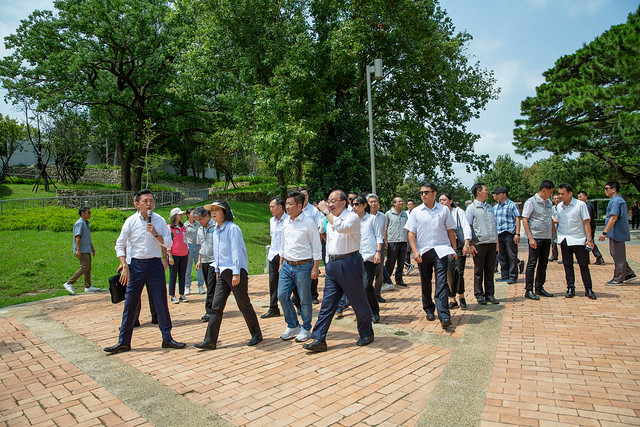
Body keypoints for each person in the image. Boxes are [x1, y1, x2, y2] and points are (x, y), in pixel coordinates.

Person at [105, 189, 186, 353]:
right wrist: (125, 265)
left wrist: (156, 234)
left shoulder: (160, 221)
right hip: (135, 266)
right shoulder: (130, 221)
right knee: (130, 303)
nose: (149, 204)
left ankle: (167, 338)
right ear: (137, 204)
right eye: (145, 201)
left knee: (161, 302)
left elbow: (169, 243)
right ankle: (124, 341)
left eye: (151, 201)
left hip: (155, 265)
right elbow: (120, 245)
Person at [303, 190, 374, 352]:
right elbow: (325, 234)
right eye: (328, 201)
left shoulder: (352, 217)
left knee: (358, 301)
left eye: (334, 201)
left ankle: (366, 332)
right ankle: (319, 338)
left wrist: (326, 212)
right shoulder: (329, 219)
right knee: (327, 304)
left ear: (344, 203)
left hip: (350, 262)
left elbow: (341, 227)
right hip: (333, 264)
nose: (330, 204)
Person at [195, 200, 262, 350]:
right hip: (222, 272)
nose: (213, 212)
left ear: (225, 212)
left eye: (217, 210)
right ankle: (210, 340)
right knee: (216, 306)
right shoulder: (216, 230)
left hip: (235, 271)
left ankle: (256, 334)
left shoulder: (233, 229)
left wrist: (236, 274)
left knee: (243, 304)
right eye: (211, 210)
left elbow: (236, 252)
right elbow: (218, 253)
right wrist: (217, 271)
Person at [406, 183, 457, 329]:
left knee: (441, 282)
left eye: (426, 192)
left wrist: (454, 249)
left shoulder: (444, 210)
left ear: (434, 193)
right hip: (423, 251)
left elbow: (450, 230)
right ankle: (428, 308)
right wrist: (415, 251)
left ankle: (444, 314)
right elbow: (411, 233)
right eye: (421, 192)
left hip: (441, 250)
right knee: (426, 282)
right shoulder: (416, 212)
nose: (423, 195)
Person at [277, 191, 322, 342]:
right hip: (286, 265)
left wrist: (315, 268)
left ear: (299, 206)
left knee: (304, 299)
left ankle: (306, 327)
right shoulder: (285, 222)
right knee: (282, 295)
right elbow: (283, 244)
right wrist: (281, 263)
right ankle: (292, 325)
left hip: (303, 266)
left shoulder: (308, 223)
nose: (287, 207)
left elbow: (316, 247)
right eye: (286, 203)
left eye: (290, 204)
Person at [555, 183, 597, 300]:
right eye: (559, 193)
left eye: (563, 194)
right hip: (564, 239)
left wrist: (589, 239)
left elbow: (586, 222)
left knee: (583, 265)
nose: (560, 196)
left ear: (570, 193)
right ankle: (570, 288)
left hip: (578, 239)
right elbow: (558, 220)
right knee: (567, 265)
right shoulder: (559, 206)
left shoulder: (580, 205)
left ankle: (588, 288)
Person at [521, 180, 556, 300]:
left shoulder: (548, 202)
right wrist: (530, 237)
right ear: (544, 190)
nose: (551, 194)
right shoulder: (531, 202)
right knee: (532, 263)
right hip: (535, 237)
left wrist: (554, 235)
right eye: (550, 192)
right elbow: (525, 219)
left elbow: (549, 219)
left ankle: (539, 287)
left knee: (543, 263)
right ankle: (528, 289)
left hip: (546, 237)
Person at [466, 183, 500, 305]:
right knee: (479, 271)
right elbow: (468, 226)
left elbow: (494, 225)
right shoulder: (471, 208)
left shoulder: (490, 207)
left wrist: (496, 243)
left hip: (491, 242)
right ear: (478, 192)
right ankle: (479, 294)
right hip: (479, 244)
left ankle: (490, 294)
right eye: (486, 190)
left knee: (490, 270)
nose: (488, 192)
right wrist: (470, 244)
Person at [599, 182, 637, 285]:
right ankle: (628, 273)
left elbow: (613, 218)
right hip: (616, 233)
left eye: (607, 188)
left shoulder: (616, 201)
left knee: (618, 255)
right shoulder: (616, 200)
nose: (605, 190)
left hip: (617, 233)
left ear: (614, 189)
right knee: (615, 254)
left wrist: (604, 232)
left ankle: (618, 278)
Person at [352, 194, 382, 323]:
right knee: (357, 287)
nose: (354, 207)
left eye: (357, 204)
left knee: (366, 285)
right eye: (352, 204)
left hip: (369, 256)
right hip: (354, 257)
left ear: (365, 205)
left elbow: (379, 237)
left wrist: (378, 252)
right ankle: (363, 312)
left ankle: (374, 311)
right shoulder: (351, 220)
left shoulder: (372, 219)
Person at [438, 193, 471, 310]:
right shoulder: (439, 213)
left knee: (459, 272)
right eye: (440, 200)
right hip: (445, 247)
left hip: (458, 246)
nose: (442, 202)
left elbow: (466, 227)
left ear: (450, 201)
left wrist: (467, 244)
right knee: (448, 274)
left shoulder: (458, 212)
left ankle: (461, 296)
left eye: (444, 200)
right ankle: (452, 298)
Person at [63, 206, 100, 294]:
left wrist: (92, 247)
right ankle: (69, 283)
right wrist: (78, 250)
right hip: (82, 250)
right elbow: (77, 237)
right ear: (82, 213)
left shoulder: (86, 223)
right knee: (84, 267)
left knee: (88, 267)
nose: (90, 214)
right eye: (88, 212)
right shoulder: (79, 223)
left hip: (87, 249)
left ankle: (88, 286)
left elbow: (87, 237)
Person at [262, 196, 287, 319]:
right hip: (273, 255)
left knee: (290, 282)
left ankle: (298, 305)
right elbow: (273, 237)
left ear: (280, 207)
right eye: (270, 207)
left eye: (273, 206)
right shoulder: (272, 221)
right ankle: (273, 308)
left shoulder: (288, 220)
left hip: (286, 256)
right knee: (273, 282)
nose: (271, 209)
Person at [492, 187, 523, 285]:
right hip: (499, 234)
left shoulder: (512, 205)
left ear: (504, 194)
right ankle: (504, 275)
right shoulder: (495, 207)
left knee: (512, 255)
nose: (495, 196)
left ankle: (513, 276)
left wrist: (517, 234)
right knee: (501, 255)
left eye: (497, 193)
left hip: (509, 233)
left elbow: (517, 219)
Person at [299, 187, 323, 304]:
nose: (304, 197)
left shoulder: (313, 211)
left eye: (306, 195)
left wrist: (317, 243)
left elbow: (319, 227)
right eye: (302, 195)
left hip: (312, 244)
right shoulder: (296, 209)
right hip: (301, 246)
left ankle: (313, 295)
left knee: (314, 269)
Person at [194, 206, 216, 322]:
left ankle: (209, 311)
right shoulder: (200, 229)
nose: (199, 222)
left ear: (207, 216)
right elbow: (201, 245)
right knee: (209, 285)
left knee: (212, 286)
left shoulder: (215, 226)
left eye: (200, 219)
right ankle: (215, 307)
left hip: (214, 261)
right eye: (197, 220)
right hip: (204, 260)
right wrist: (199, 260)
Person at [368, 194, 389, 300]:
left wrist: (385, 241)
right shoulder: (364, 216)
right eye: (371, 202)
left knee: (379, 272)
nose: (373, 204)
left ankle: (377, 294)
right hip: (366, 247)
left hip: (378, 246)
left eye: (375, 202)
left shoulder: (382, 216)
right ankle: (368, 294)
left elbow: (384, 229)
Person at [385, 197, 409, 288]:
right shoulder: (388, 214)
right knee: (390, 262)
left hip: (403, 240)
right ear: (394, 203)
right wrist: (385, 240)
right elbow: (385, 227)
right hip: (392, 241)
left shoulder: (404, 214)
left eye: (402, 201)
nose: (401, 203)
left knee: (401, 261)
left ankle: (399, 279)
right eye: (399, 201)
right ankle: (386, 279)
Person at [577, 191, 605, 265]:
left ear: (585, 197)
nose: (579, 199)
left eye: (580, 197)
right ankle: (586, 259)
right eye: (578, 197)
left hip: (590, 227)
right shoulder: (585, 205)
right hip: (590, 227)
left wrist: (586, 227)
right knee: (586, 242)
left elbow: (588, 218)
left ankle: (599, 257)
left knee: (590, 242)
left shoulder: (587, 205)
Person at [167, 208, 188, 304]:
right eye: (180, 214)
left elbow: (185, 241)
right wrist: (169, 255)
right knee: (173, 275)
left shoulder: (183, 227)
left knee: (182, 275)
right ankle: (172, 295)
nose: (182, 216)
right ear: (175, 215)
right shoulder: (169, 228)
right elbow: (167, 243)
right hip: (174, 255)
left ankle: (182, 294)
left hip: (183, 255)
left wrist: (187, 254)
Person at [184, 207, 205, 295]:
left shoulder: (198, 224)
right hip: (188, 247)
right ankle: (187, 286)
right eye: (192, 213)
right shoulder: (185, 225)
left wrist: (201, 246)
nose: (194, 215)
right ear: (188, 215)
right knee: (188, 268)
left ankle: (200, 285)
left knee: (199, 267)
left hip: (197, 247)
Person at [404, 199, 416, 275]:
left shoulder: (417, 212)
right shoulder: (405, 214)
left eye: (411, 204)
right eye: (408, 205)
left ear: (414, 205)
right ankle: (408, 265)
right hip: (408, 234)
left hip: (417, 234)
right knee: (407, 251)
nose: (409, 206)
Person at [549, 194, 562, 263]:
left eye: (558, 198)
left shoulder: (562, 207)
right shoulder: (552, 208)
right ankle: (554, 255)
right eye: (555, 199)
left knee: (563, 244)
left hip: (561, 228)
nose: (556, 200)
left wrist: (554, 220)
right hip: (553, 228)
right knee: (553, 243)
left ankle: (564, 258)